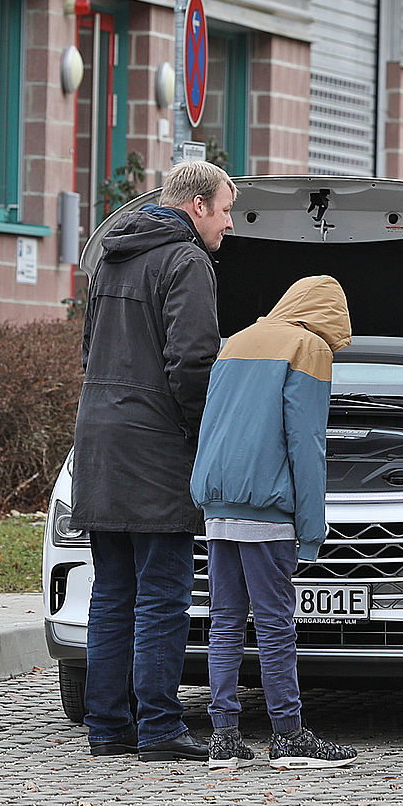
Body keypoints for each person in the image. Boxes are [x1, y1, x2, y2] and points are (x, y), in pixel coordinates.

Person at [68, 160, 235, 761]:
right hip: (157, 446)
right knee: (163, 593)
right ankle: (161, 729)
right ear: (197, 207)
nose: (229, 223)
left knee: (112, 590)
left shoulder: (113, 255)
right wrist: (201, 432)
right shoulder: (187, 260)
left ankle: (108, 728)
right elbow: (193, 360)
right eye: (225, 209)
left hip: (100, 440)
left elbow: (90, 350)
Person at [189, 275, 358, 770]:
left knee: (223, 622)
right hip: (267, 512)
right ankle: (288, 734)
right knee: (276, 626)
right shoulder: (307, 347)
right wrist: (312, 530)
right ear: (328, 318)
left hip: (219, 506)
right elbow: (306, 446)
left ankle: (223, 736)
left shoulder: (235, 341)